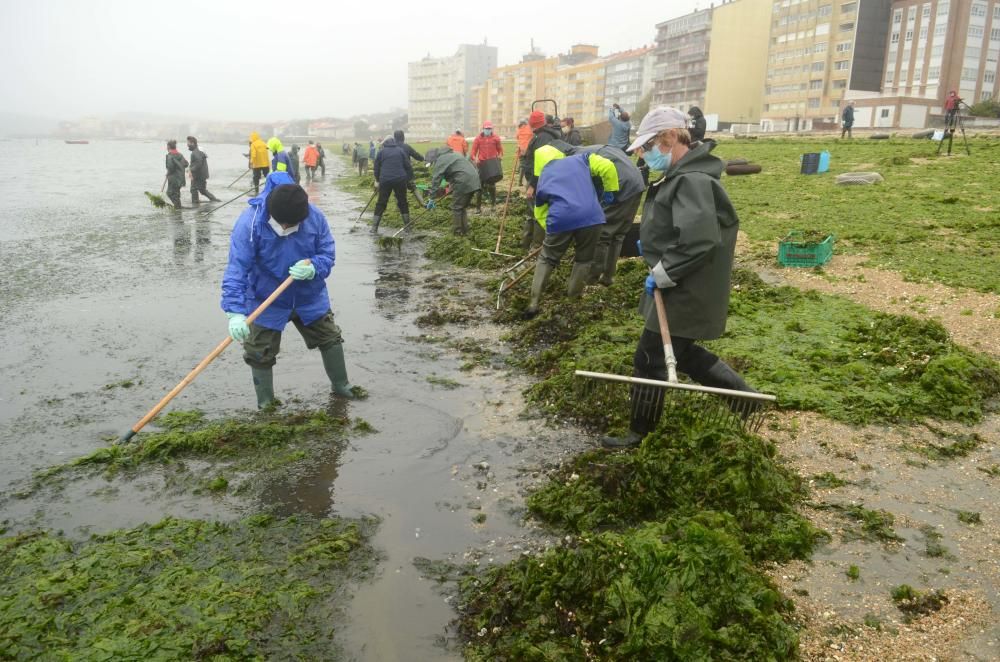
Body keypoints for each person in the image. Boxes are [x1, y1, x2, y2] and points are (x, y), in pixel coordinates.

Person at [602, 106, 756, 448]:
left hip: (686, 286)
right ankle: (743, 398)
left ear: (670, 138)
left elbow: (700, 238)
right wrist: (652, 242)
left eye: (648, 146)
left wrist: (663, 270)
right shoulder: (681, 176)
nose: (644, 155)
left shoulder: (692, 180)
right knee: (679, 352)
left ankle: (639, 434)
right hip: (681, 282)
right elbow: (682, 227)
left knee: (648, 357)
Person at [221, 171, 358, 408]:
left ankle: (342, 386)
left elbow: (327, 254)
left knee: (330, 338)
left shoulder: (314, 216)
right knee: (258, 353)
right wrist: (235, 312)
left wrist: (314, 266)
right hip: (267, 298)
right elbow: (237, 269)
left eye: (292, 224)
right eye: (282, 223)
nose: (286, 227)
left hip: (308, 295)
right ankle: (266, 404)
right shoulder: (250, 224)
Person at [522, 145, 619, 318]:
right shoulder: (582, 159)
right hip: (592, 218)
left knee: (546, 258)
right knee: (584, 259)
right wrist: (610, 190)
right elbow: (608, 166)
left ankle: (533, 304)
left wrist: (551, 232)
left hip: (561, 218)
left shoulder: (544, 177)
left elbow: (540, 211)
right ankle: (572, 300)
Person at [572, 144, 644, 286]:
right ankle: (608, 277)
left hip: (620, 185)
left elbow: (585, 188)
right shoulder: (592, 149)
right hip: (637, 183)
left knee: (602, 234)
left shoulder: (576, 160)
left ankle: (592, 278)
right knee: (618, 235)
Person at [520, 110, 563, 251]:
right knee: (532, 211)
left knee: (538, 212)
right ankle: (526, 243)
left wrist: (532, 185)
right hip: (540, 180)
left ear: (534, 125)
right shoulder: (542, 136)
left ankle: (536, 246)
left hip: (539, 182)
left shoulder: (543, 139)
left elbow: (540, 165)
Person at [426, 145, 481, 236]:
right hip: (474, 180)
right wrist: (452, 185)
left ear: (434, 158)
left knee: (456, 207)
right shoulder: (453, 154)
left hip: (464, 181)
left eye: (432, 162)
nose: (433, 164)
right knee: (461, 207)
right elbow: (457, 170)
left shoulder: (441, 160)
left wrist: (431, 199)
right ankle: (465, 231)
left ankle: (457, 233)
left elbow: (436, 180)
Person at [371, 134, 413, 233]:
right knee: (402, 202)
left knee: (381, 202)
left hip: (385, 180)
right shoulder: (400, 151)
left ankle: (374, 228)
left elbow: (376, 168)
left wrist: (377, 180)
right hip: (400, 180)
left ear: (385, 143)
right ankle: (407, 227)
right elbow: (408, 167)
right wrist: (409, 180)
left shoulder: (381, 152)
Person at [470, 121, 504, 212]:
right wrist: (475, 159)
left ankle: (493, 205)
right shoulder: (478, 139)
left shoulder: (496, 138)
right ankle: (478, 207)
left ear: (492, 129)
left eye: (489, 129)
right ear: (483, 129)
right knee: (479, 186)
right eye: (486, 129)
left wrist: (500, 156)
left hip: (492, 164)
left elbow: (500, 150)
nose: (488, 130)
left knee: (491, 186)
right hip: (482, 164)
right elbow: (472, 153)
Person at [393, 129, 426, 206]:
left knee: (397, 190)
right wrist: (423, 158)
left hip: (396, 174)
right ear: (403, 137)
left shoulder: (391, 148)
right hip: (407, 173)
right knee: (413, 188)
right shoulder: (406, 147)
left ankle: (399, 207)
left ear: (395, 138)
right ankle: (422, 203)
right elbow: (416, 155)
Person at [186, 136, 219, 204]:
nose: (187, 144)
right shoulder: (198, 150)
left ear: (192, 143)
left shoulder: (196, 152)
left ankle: (195, 204)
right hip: (202, 174)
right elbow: (198, 163)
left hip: (198, 175)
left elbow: (198, 163)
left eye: (188, 143)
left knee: (193, 189)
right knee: (202, 190)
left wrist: (190, 170)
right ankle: (215, 200)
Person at [164, 139, 189, 209]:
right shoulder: (180, 155)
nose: (166, 148)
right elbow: (186, 164)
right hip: (181, 178)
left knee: (170, 193)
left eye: (167, 146)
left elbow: (171, 168)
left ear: (168, 147)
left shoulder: (170, 156)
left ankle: (178, 207)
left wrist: (168, 173)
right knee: (176, 194)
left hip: (173, 179)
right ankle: (178, 207)